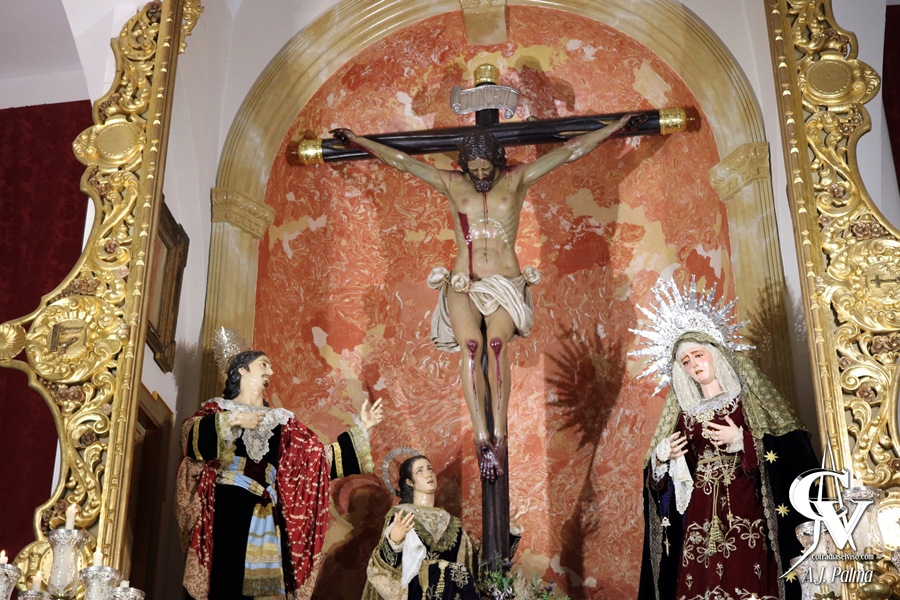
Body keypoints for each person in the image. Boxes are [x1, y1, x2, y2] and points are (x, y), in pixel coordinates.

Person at [331, 114, 640, 481]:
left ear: (497, 159)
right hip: (464, 282)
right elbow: (403, 161)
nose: (480, 175)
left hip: (505, 283)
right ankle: (482, 439)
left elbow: (570, 151)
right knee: (472, 347)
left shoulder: (517, 179)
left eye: (485, 167)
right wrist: (358, 140)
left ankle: (500, 435)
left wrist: (616, 127)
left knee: (495, 345)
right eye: (473, 168)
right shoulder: (452, 184)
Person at [176, 349, 384, 600]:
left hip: (265, 512)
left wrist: (363, 428)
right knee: (223, 577)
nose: (271, 371)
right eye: (263, 364)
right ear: (242, 369)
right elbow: (190, 438)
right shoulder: (218, 409)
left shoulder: (282, 422)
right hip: (225, 504)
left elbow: (315, 460)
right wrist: (233, 421)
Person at [638, 331, 817, 600]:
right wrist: (662, 459)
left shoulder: (746, 402)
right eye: (686, 361)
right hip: (701, 508)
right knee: (701, 573)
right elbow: (673, 479)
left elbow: (787, 450)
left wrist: (743, 440)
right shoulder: (686, 416)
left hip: (744, 498)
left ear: (715, 356)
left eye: (698, 355)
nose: (694, 364)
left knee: (744, 567)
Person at [362, 454, 523, 600]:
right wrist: (393, 541)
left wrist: (506, 531)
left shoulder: (452, 524)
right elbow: (382, 569)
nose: (428, 474)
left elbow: (483, 563)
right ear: (409, 482)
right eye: (420, 471)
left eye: (430, 469)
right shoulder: (402, 515)